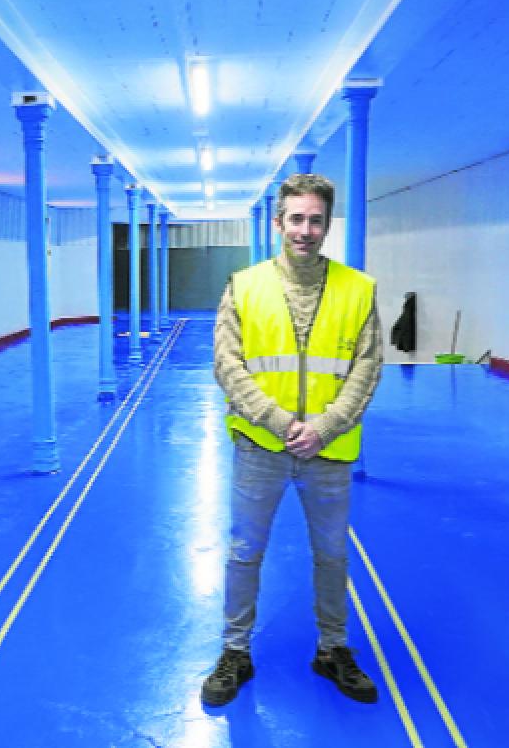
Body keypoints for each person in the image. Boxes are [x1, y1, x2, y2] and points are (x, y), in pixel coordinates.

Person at [201, 173, 383, 706]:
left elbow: (367, 367)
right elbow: (228, 366)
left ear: (327, 225)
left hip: (329, 450)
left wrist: (324, 427)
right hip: (260, 447)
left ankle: (333, 649)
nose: (305, 230)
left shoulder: (358, 289)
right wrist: (281, 424)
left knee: (332, 554)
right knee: (244, 552)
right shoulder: (244, 285)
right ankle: (235, 651)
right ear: (279, 223)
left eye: (315, 220)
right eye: (296, 219)